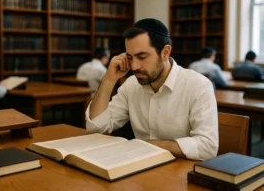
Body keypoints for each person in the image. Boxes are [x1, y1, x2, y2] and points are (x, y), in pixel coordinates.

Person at [85, 18, 218, 160]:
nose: (134, 66)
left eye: (142, 57)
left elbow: (208, 147)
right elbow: (96, 128)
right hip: (141, 170)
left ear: (165, 52)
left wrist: (149, 145)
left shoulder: (198, 86)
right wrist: (109, 79)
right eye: (130, 58)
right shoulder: (131, 85)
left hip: (180, 173)